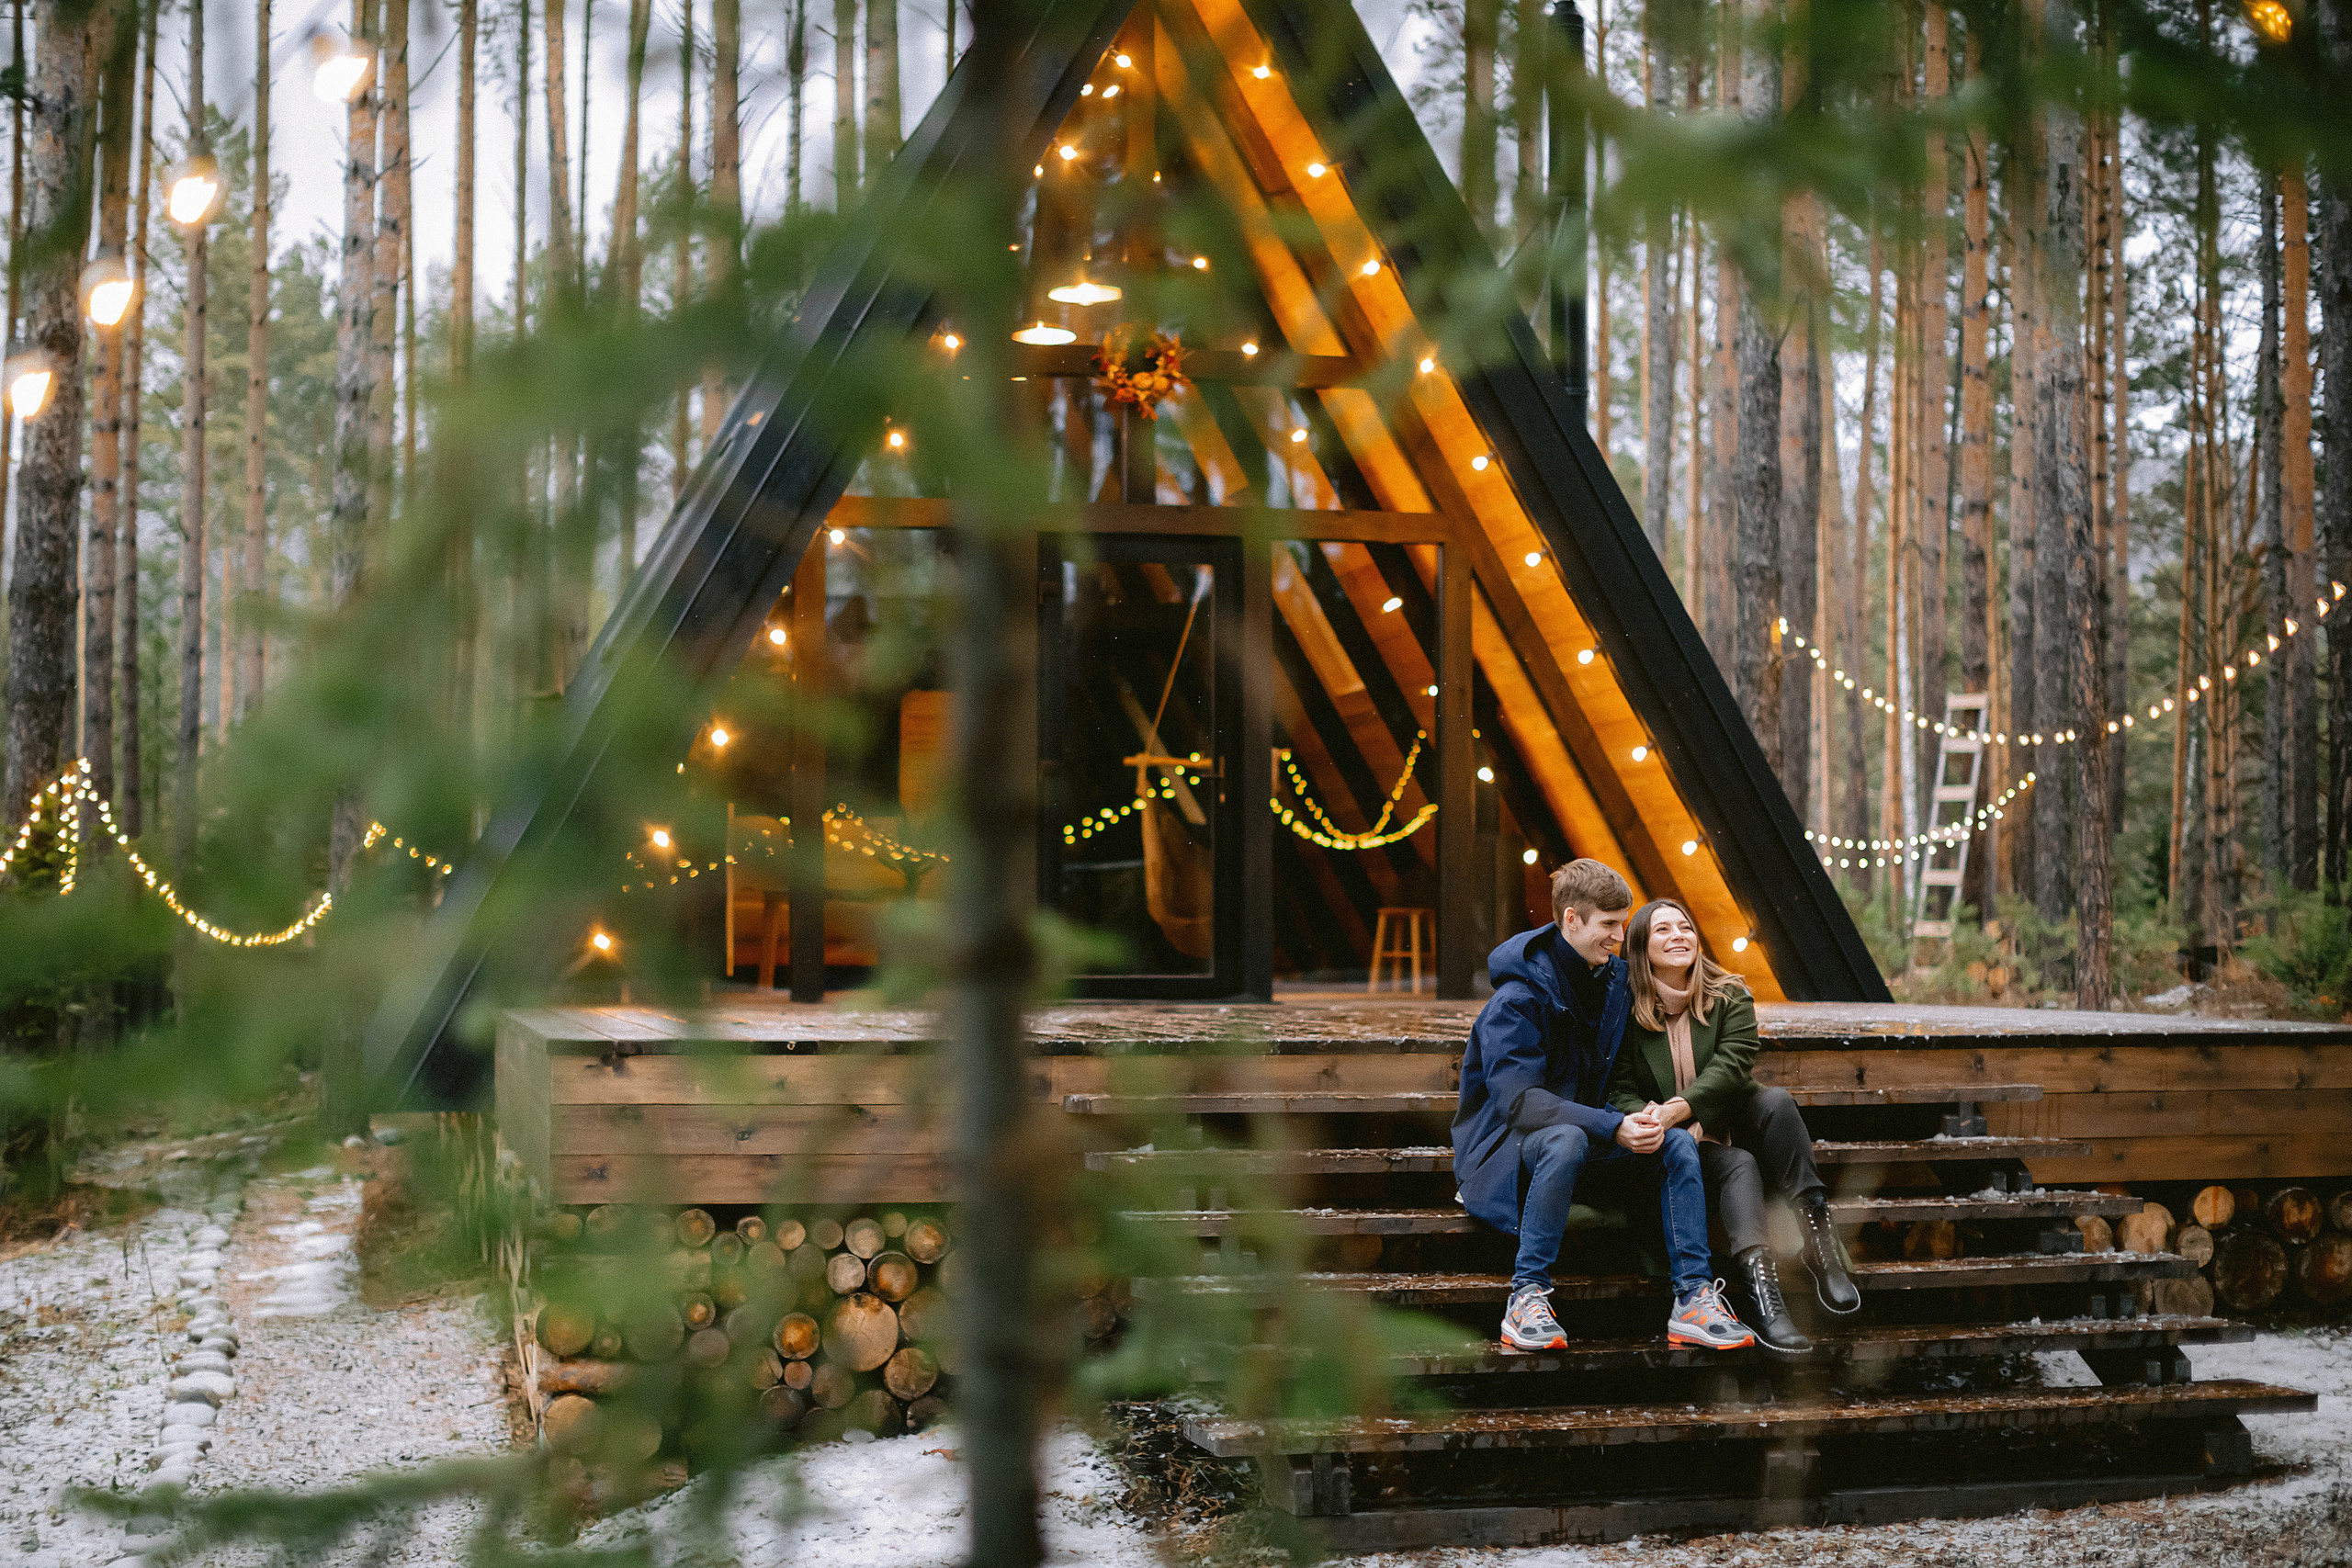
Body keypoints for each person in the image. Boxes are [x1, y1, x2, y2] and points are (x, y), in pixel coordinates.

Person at [1453, 859, 1756, 1353]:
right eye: (1609, 925)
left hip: (1588, 1142)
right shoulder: (1515, 1000)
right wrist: (1612, 1125)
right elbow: (1521, 1104)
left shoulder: (1613, 981)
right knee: (1566, 1137)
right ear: (1571, 919)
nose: (1620, 936)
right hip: (1507, 1153)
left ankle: (1694, 1300)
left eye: (1623, 922)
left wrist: (1644, 1117)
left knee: (1675, 1142)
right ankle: (1526, 1297)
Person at [1607, 897, 1860, 1358]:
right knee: (1738, 1164)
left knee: (1777, 1102)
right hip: (1673, 1143)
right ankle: (1765, 1300)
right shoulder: (1624, 1009)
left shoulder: (1729, 992)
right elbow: (1617, 1085)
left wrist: (1682, 1108)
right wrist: (1648, 1118)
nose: (1679, 935)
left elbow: (1732, 1065)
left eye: (1685, 926)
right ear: (1641, 949)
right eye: (1662, 930)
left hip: (1725, 1118)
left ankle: (1820, 1245)